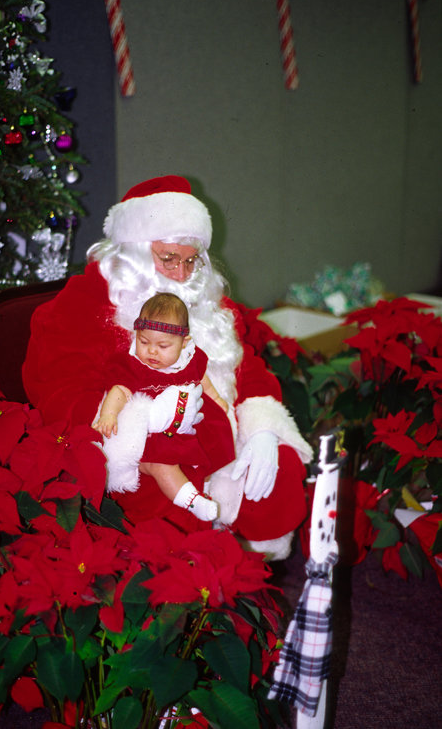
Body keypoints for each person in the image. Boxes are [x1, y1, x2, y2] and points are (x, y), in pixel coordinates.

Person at [23, 175, 313, 558]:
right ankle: (190, 600)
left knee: (281, 466)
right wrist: (144, 425)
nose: (181, 275)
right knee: (171, 515)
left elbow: (248, 368)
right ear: (135, 251)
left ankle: (242, 586)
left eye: (191, 261)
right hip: (140, 456)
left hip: (215, 439)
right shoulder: (83, 304)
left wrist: (262, 431)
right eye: (169, 259)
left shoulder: (202, 299)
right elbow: (62, 396)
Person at [93, 292, 235, 522]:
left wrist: (215, 398)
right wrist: (108, 414)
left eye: (163, 345)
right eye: (144, 341)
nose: (152, 352)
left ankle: (206, 486)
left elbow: (201, 379)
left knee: (211, 448)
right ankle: (192, 501)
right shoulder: (134, 366)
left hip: (188, 429)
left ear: (184, 343)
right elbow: (119, 391)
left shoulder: (190, 359)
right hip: (155, 437)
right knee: (161, 466)